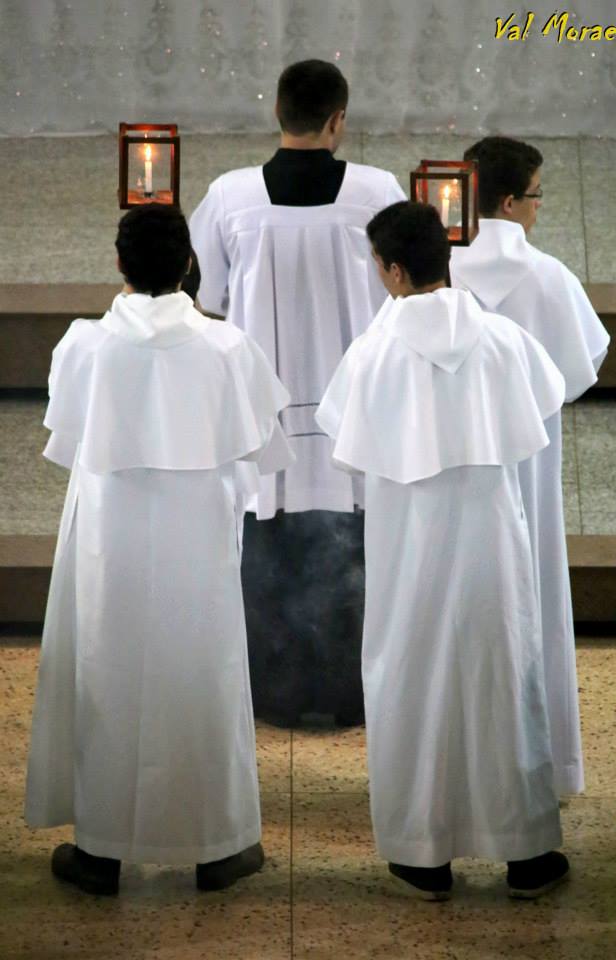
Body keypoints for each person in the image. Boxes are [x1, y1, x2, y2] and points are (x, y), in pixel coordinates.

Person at [24, 204, 293, 895]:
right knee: (201, 670)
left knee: (107, 667)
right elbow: (265, 449)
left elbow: (66, 440)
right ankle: (217, 848)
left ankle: (101, 851)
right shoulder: (227, 347)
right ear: (188, 265)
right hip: (197, 539)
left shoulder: (85, 346)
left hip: (108, 541)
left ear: (119, 263)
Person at [316, 201, 570, 900]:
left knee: (412, 680)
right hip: (492, 541)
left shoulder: (372, 353)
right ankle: (526, 854)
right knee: (501, 679)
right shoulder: (503, 339)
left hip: (409, 549)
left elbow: (347, 448)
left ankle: (421, 855)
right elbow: (543, 408)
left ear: (393, 270)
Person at [189, 59, 406, 726]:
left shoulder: (229, 196)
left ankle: (273, 696)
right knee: (350, 556)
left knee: (270, 554)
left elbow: (205, 296)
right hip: (353, 415)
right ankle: (350, 696)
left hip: (266, 417)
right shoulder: (377, 191)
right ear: (338, 120)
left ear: (277, 113)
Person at [450, 136, 610, 797]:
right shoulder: (548, 278)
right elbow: (581, 369)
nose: (540, 208)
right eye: (537, 195)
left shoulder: (439, 273)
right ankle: (544, 766)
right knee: (535, 591)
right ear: (511, 202)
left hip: (455, 461)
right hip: (530, 462)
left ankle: (462, 766)